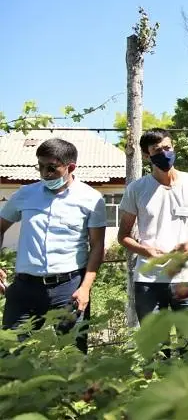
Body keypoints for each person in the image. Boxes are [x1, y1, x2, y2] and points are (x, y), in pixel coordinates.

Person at [0, 138, 106, 354]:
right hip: (24, 288)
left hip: (69, 288)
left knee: (73, 355)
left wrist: (85, 288)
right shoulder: (25, 194)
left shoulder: (91, 199)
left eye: (52, 168)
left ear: (71, 167)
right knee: (9, 353)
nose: (45, 173)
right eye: (40, 166)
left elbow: (97, 246)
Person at [117, 128, 188, 323]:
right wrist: (146, 251)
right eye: (156, 150)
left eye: (167, 147)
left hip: (185, 278)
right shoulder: (136, 189)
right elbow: (123, 236)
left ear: (174, 147)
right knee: (154, 347)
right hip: (148, 281)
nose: (164, 153)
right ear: (146, 155)